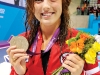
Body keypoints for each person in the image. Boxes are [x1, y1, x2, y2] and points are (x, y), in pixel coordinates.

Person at [6, 0, 100, 75]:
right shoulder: (22, 40)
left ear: (63, 2)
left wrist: (80, 74)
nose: (46, 6)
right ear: (32, 6)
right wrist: (18, 73)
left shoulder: (84, 41)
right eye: (39, 0)